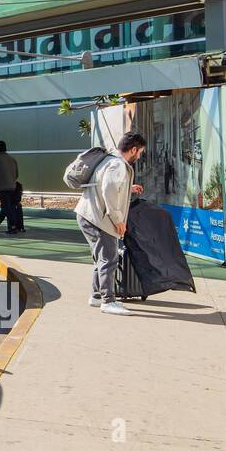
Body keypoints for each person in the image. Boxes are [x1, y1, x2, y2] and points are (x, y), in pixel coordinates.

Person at [77, 131, 147, 316]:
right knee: (109, 259)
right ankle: (108, 301)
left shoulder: (109, 160)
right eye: (140, 152)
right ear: (133, 150)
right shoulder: (118, 164)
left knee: (101, 258)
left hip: (88, 215)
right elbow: (108, 189)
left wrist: (128, 188)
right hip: (98, 218)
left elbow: (104, 184)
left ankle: (97, 295)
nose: (139, 156)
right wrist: (118, 220)